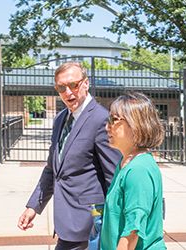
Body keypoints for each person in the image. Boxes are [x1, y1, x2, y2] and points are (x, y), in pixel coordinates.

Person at [18, 62, 121, 249]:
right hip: (66, 222)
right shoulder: (60, 119)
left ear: (86, 84)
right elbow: (53, 169)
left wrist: (115, 228)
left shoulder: (101, 119)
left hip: (89, 227)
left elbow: (114, 178)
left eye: (74, 85)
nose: (68, 92)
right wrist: (34, 206)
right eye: (61, 87)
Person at [101, 92, 167, 250]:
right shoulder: (126, 163)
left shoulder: (138, 170)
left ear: (136, 124)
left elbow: (132, 231)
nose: (107, 127)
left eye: (114, 120)